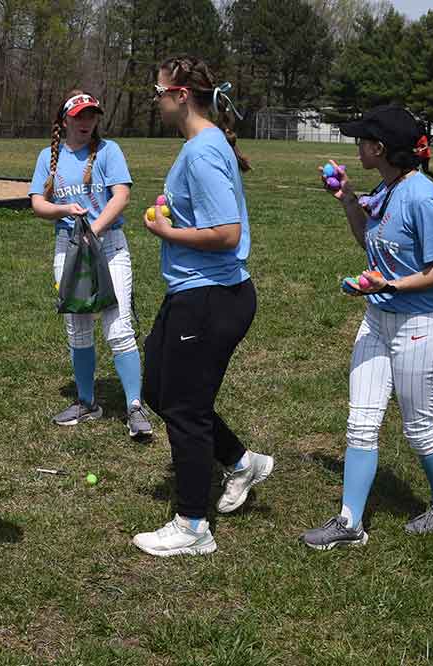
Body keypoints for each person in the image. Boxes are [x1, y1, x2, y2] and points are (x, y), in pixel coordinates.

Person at [301, 105, 433, 550]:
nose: (357, 146)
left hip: (419, 327)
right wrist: (349, 200)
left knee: (418, 428)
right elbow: (368, 241)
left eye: (362, 140)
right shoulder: (387, 187)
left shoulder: (421, 195)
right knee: (361, 422)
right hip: (377, 320)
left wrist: (390, 282)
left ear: (380, 148)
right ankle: (350, 523)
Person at [131, 55, 273, 558]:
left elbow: (227, 233)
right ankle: (239, 462)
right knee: (158, 389)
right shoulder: (199, 148)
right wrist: (174, 210)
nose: (155, 98)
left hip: (212, 296)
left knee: (185, 410)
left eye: (158, 90)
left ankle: (193, 525)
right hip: (190, 292)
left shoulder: (202, 151)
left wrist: (168, 231)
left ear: (181, 96)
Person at [29, 90, 153, 439]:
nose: (87, 122)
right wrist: (65, 211)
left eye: (92, 116)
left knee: (119, 327)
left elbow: (122, 196)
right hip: (68, 248)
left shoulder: (109, 151)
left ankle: (134, 407)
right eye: (80, 116)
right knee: (78, 326)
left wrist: (94, 231)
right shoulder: (48, 157)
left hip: (109, 245)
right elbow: (38, 202)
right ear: (65, 120)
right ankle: (86, 402)